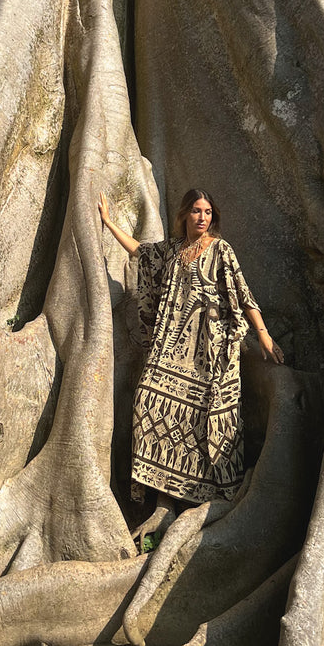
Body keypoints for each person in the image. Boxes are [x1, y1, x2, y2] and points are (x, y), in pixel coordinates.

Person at [98, 187, 283, 507]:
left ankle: (198, 498)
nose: (202, 217)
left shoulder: (221, 250)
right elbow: (140, 252)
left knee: (204, 420)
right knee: (148, 401)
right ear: (184, 214)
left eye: (208, 212)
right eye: (196, 211)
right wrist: (109, 222)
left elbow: (242, 294)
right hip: (170, 349)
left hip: (208, 351)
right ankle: (162, 497)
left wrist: (263, 333)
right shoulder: (171, 250)